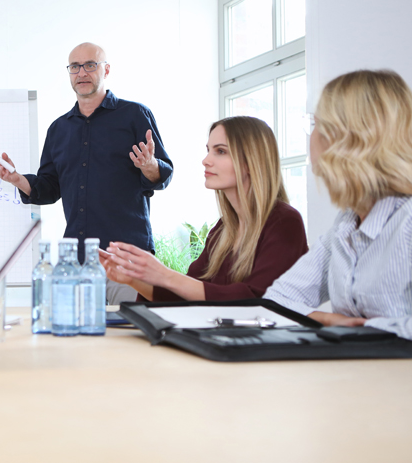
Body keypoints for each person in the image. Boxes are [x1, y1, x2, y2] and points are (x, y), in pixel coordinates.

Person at [0, 42, 173, 303]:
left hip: (127, 257)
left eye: (90, 65)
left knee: (132, 328)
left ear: (106, 70)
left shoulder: (135, 115)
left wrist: (150, 166)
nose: (82, 73)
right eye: (75, 66)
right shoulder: (58, 129)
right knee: (75, 330)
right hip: (78, 262)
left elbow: (163, 174)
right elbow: (48, 188)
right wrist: (17, 179)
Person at [265, 70, 412, 339]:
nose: (311, 135)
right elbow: (277, 299)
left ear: (344, 137)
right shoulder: (345, 225)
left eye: (316, 123)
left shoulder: (407, 222)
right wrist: (324, 319)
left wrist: (361, 330)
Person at [101, 116, 308, 301]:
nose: (206, 161)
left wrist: (165, 275)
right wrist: (131, 278)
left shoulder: (284, 221)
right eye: (209, 150)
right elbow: (188, 294)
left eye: (220, 151)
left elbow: (257, 298)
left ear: (251, 160)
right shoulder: (224, 228)